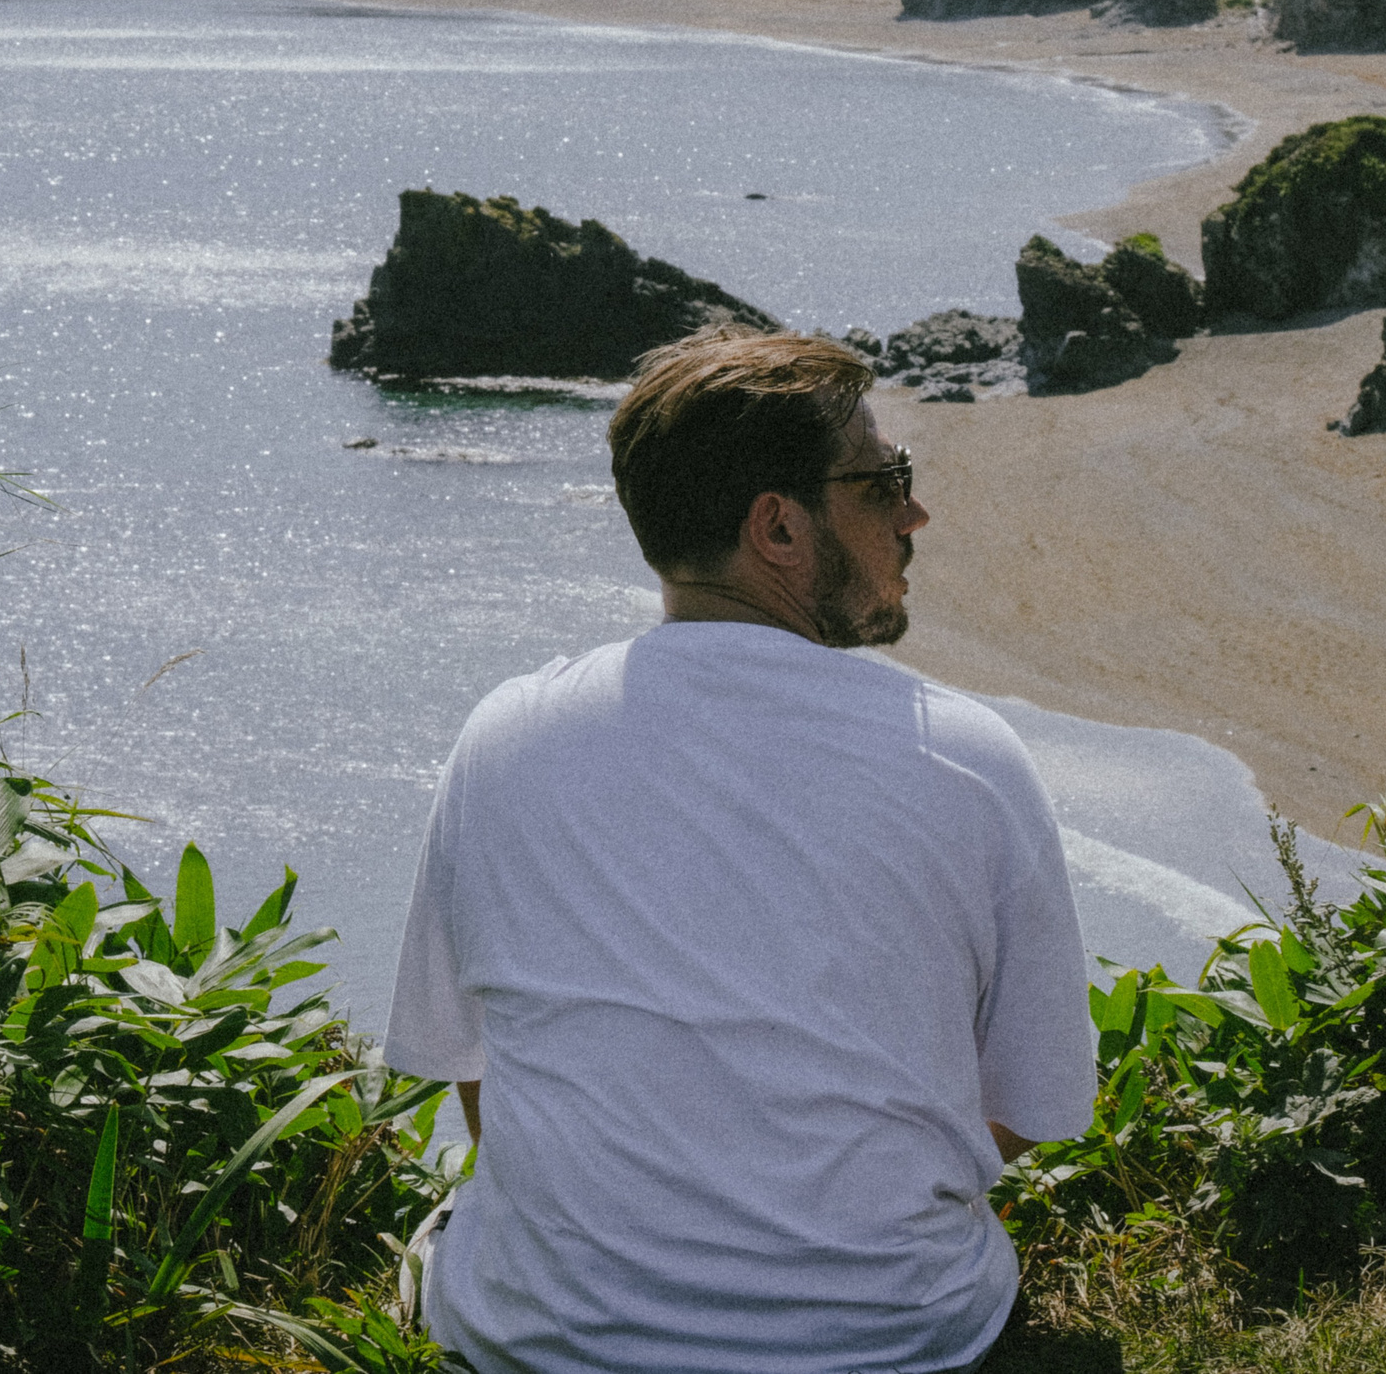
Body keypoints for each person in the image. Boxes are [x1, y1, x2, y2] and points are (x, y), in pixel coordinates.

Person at [382, 327, 1094, 1374]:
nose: (912, 512)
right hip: (893, 1341)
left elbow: (467, 1069)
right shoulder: (961, 754)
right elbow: (1028, 1108)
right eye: (883, 480)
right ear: (777, 526)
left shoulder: (507, 734)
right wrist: (818, 1222)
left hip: (550, 1342)